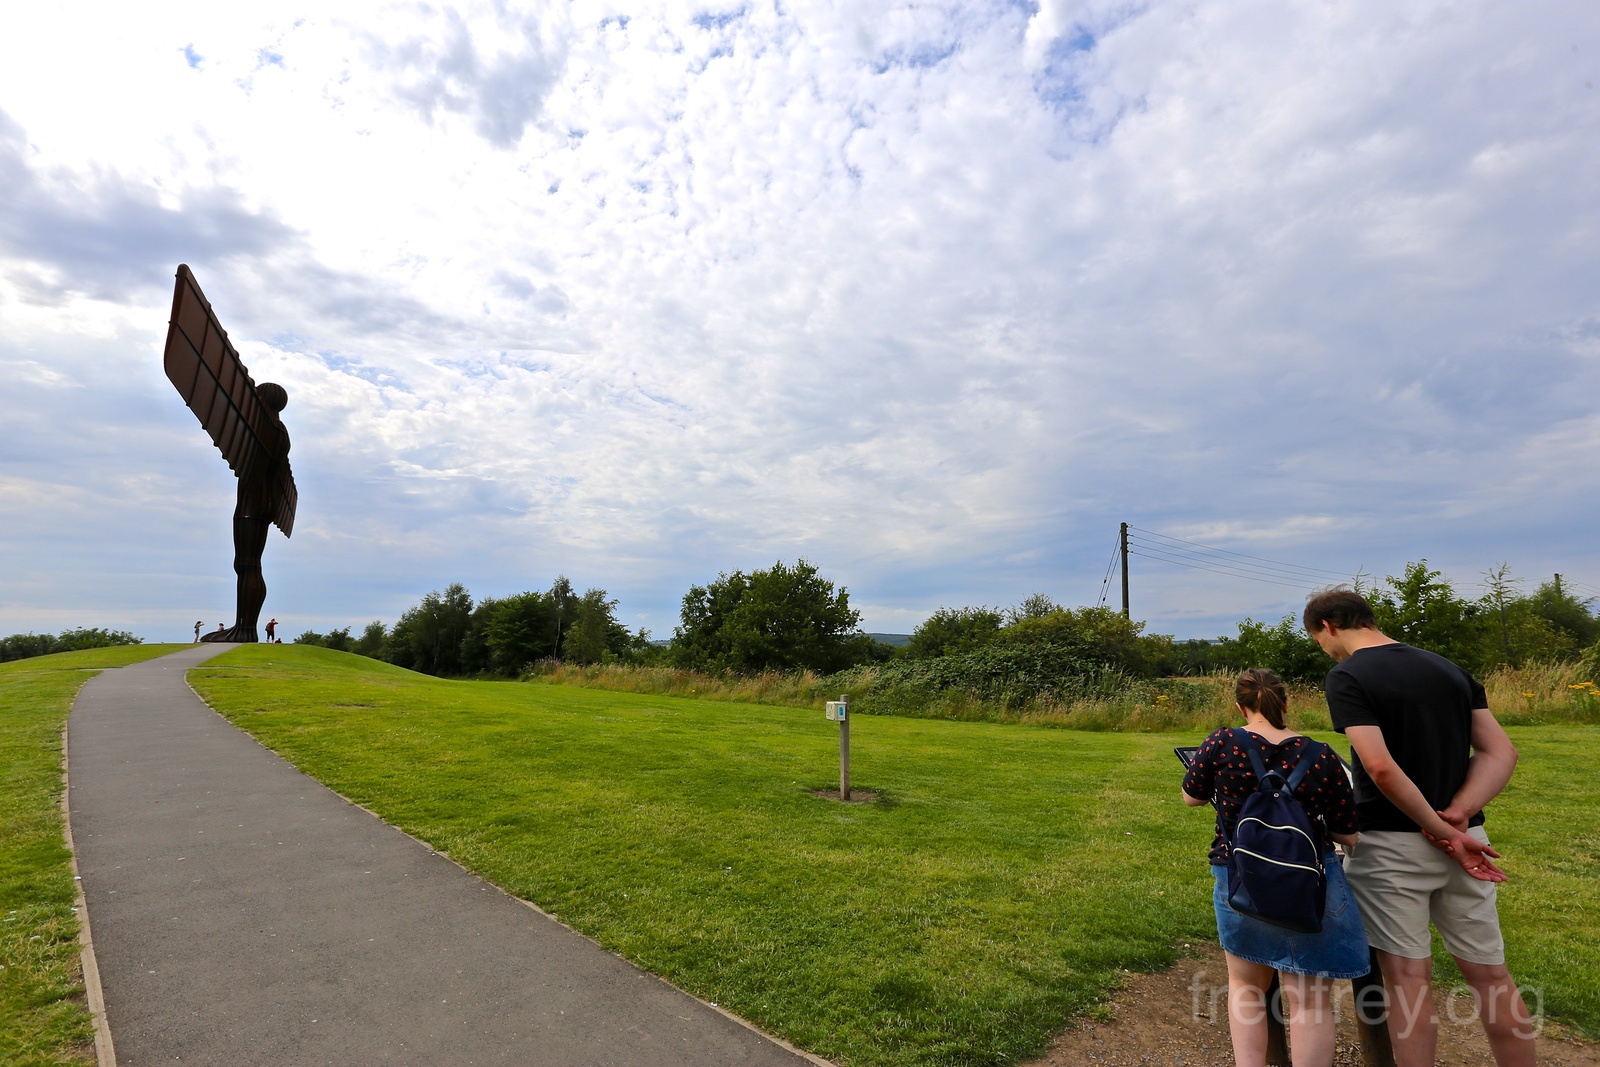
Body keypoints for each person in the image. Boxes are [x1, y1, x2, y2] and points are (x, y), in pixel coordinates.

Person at [1304, 587, 1534, 1067]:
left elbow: (1380, 768)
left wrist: (1440, 828)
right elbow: (1501, 752)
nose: (1324, 649)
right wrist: (1459, 815)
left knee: (1408, 982)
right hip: (1470, 845)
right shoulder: (1448, 668)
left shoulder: (1348, 675)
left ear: (1327, 626)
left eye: (1318, 640)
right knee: (1492, 977)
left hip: (1391, 847)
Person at [1183, 669, 1368, 1067]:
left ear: (1241, 707)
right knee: (1311, 1001)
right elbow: (1346, 832)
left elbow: (1191, 796)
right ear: (1286, 704)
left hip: (1238, 873)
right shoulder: (1320, 754)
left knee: (1245, 987)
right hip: (1310, 879)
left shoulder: (1222, 742)